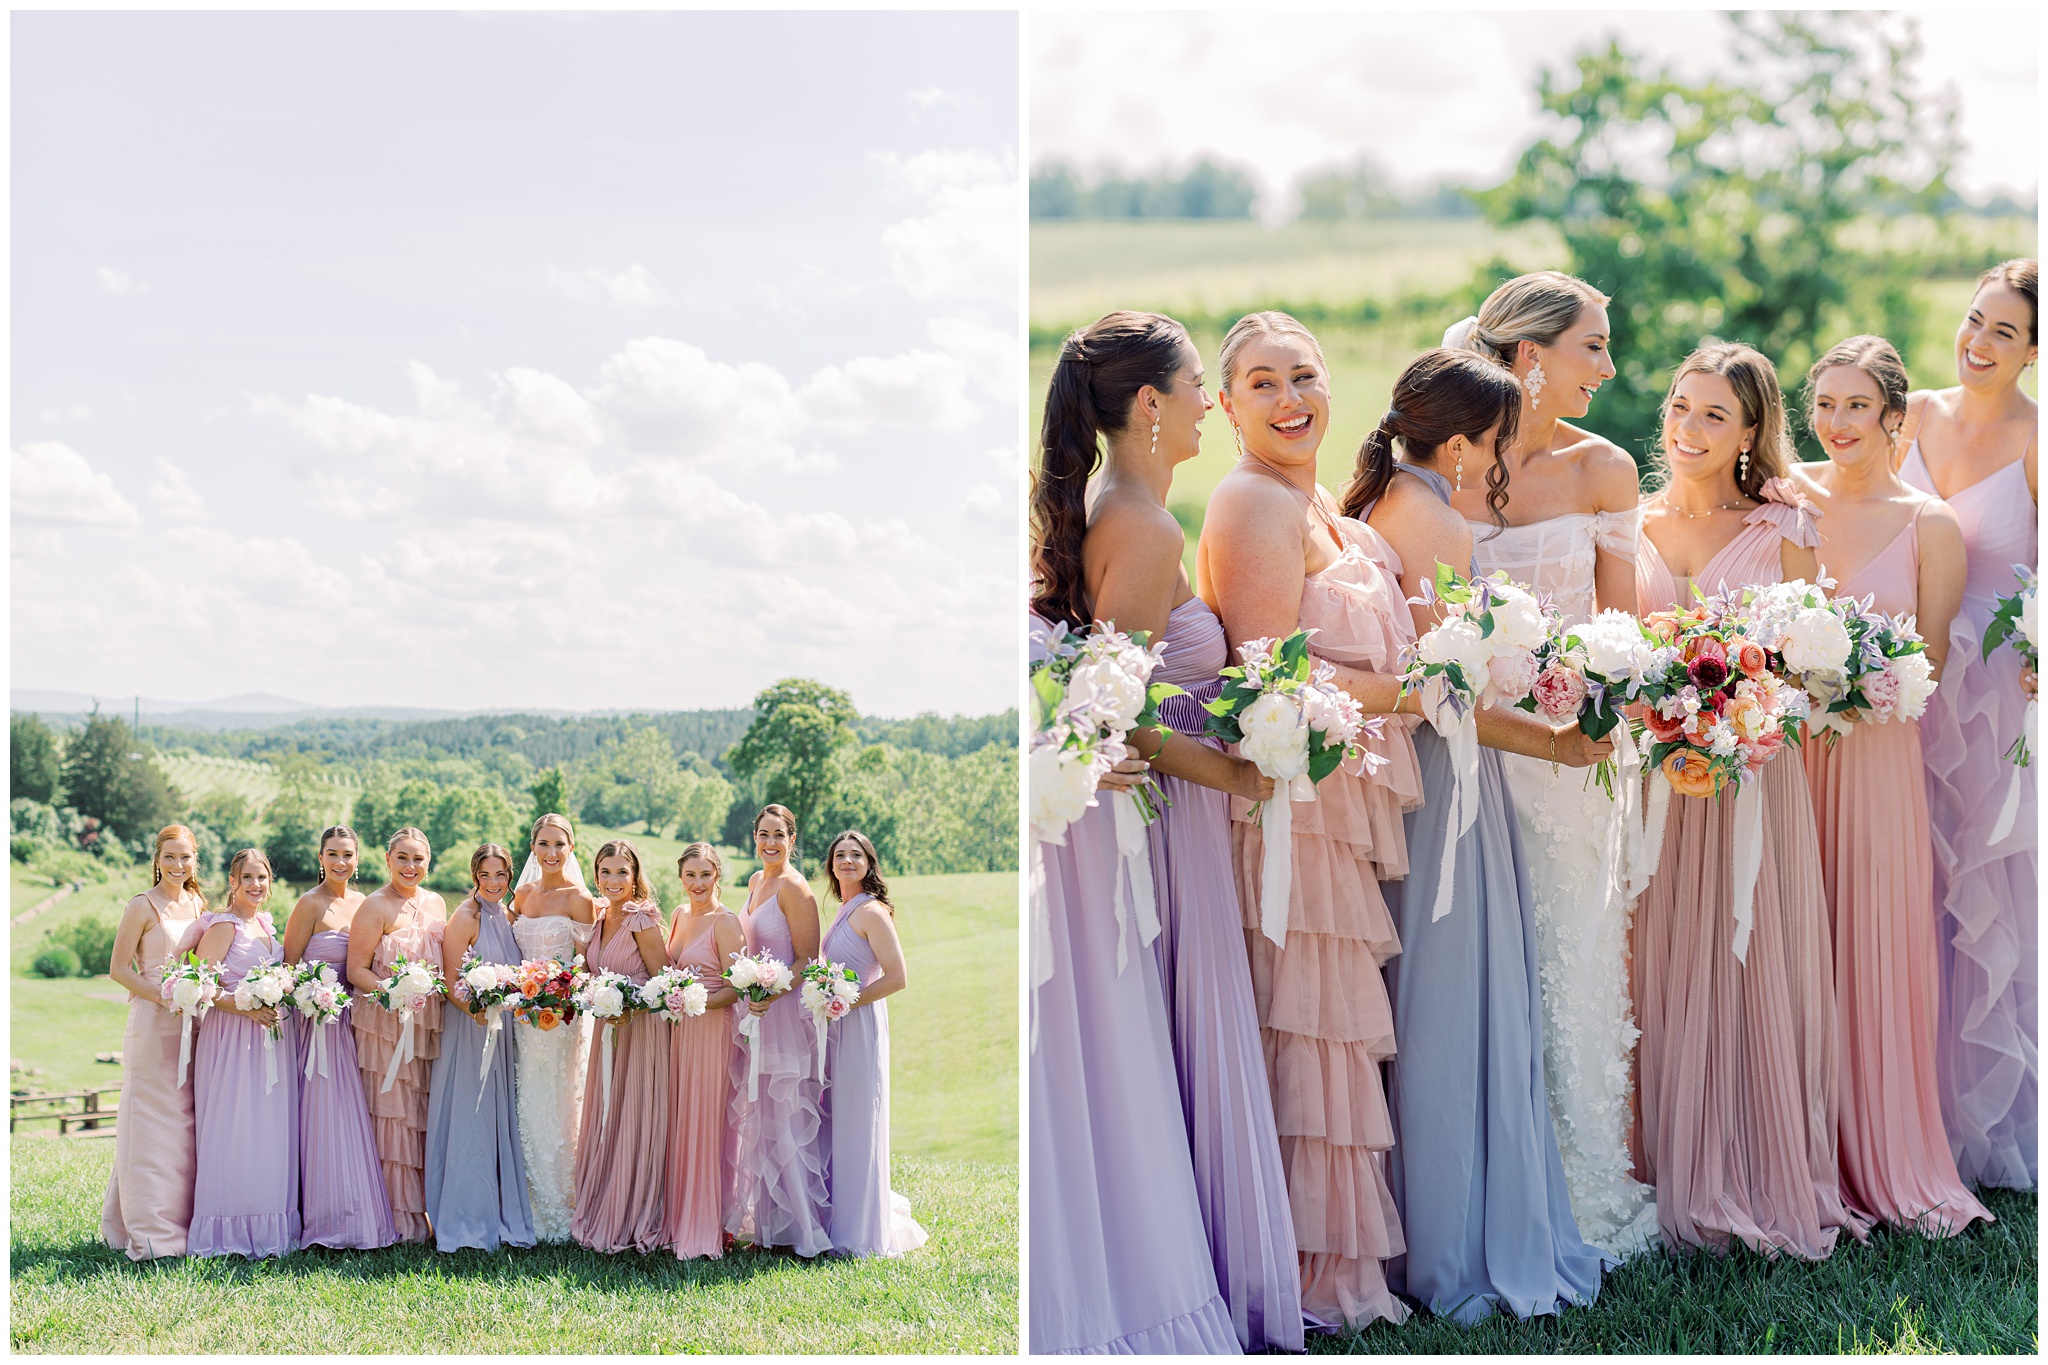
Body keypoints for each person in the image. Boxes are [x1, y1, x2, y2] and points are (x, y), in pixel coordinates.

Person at [1034, 308, 1296, 1349]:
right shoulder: (1142, 526)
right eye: (1197, 387)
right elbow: (1116, 711)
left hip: (1156, 809)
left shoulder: (1114, 504)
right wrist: (1243, 771)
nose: (1207, 407)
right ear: (1149, 405)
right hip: (1157, 814)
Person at [1340, 348, 1611, 1320]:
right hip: (1453, 776)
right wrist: (1550, 738)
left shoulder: (1373, 506)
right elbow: (1447, 696)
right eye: (1497, 441)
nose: (1503, 458)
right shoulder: (1440, 523)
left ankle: (1419, 1226)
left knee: (1420, 998)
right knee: (1455, 1004)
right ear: (1457, 442)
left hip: (1408, 771)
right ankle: (1460, 1237)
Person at [1197, 309, 1420, 1330]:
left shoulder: (1318, 501)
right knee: (1307, 1027)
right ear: (1227, 404)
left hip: (1342, 800)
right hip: (1291, 809)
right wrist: (1417, 690)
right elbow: (1267, 672)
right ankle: (1308, 1276)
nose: (1291, 401)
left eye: (1304, 377)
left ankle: (1339, 1259)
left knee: (1337, 1025)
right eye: (1262, 384)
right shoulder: (1249, 505)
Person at [1632, 341, 1866, 1258]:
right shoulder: (1627, 522)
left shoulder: (1787, 529)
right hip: (1655, 780)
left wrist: (1749, 705)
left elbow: (1814, 667)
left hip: (1757, 779)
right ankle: (1663, 1162)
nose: (1689, 429)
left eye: (1714, 415)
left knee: (1753, 956)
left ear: (1752, 432)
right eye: (1681, 407)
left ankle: (1760, 1161)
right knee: (1659, 959)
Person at [1445, 270, 1659, 1257]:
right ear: (1528, 356)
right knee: (1475, 971)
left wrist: (1603, 699)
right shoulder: (1446, 462)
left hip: (1574, 766)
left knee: (1574, 966)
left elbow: (1624, 632)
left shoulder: (1603, 470)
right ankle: (1482, 1189)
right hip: (1468, 759)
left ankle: (1583, 1192)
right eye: (1592, 346)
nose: (1608, 369)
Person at [1795, 336, 1992, 1237]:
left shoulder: (1930, 523)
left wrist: (1855, 683)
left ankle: (1878, 1147)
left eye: (1856, 406)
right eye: (1824, 403)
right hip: (1779, 753)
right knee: (1792, 942)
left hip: (1874, 761)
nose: (1836, 423)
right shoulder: (1779, 497)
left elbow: (1933, 662)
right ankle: (1787, 1140)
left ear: (1892, 418)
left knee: (1867, 942)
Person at [1897, 257, 2039, 1192]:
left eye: (2005, 333)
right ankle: (1895, 1098)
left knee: (1980, 886)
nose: (1978, 343)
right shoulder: (1913, 412)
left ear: (2035, 352)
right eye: (1974, 320)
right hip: (1895, 671)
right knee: (1903, 879)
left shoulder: (2037, 436)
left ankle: (1981, 1107)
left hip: (1991, 684)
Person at [281, 825, 396, 1250]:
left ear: (358, 860)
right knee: (323, 1113)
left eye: (348, 854)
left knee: (355, 1115)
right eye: (333, 854)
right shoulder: (309, 904)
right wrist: (312, 998)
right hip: (317, 1028)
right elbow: (287, 971)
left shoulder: (365, 904)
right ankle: (323, 1217)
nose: (341, 862)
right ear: (320, 857)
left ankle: (354, 1209)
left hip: (356, 1022)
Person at [726, 806, 831, 1257]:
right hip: (755, 1012)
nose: (770, 843)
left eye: (779, 836)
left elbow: (808, 957)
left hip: (784, 1013)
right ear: (754, 838)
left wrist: (772, 989)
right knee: (760, 1115)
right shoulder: (754, 882)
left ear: (792, 840)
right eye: (763, 834)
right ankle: (768, 1228)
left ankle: (802, 1230)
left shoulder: (795, 887)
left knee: (783, 1115)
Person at [101, 825, 208, 1260]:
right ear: (156, 859)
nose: (178, 865)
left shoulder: (199, 903)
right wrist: (165, 996)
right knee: (149, 1122)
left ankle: (181, 1219)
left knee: (185, 1123)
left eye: (185, 857)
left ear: (195, 859)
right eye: (170, 857)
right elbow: (119, 969)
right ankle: (150, 1232)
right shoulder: (141, 906)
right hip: (152, 1024)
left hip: (193, 1024)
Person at [819, 831, 928, 1258]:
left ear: (868, 863)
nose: (847, 860)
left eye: (855, 854)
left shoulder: (872, 911)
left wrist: (846, 1002)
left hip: (859, 1024)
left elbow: (897, 977)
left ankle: (860, 1230)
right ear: (831, 864)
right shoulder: (845, 909)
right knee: (839, 1118)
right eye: (839, 854)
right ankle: (837, 1215)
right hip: (838, 1024)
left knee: (858, 1119)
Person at [186, 849, 299, 1259]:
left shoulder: (266, 926)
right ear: (232, 882)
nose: (255, 885)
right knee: (236, 1128)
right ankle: (228, 1230)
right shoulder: (223, 926)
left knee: (268, 1131)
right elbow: (199, 983)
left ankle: (271, 1224)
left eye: (262, 878)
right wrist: (243, 1005)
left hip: (271, 1040)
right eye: (247, 877)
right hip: (233, 1039)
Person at [424, 843, 535, 1252]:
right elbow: (452, 981)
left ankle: (498, 1206)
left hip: (501, 1029)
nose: (492, 883)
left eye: (500, 875)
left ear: (510, 878)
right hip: (471, 1029)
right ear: (474, 876)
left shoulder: (507, 916)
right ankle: (465, 1215)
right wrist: (477, 1013)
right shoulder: (465, 916)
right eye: (485, 875)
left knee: (494, 1116)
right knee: (470, 1117)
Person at [571, 839, 672, 1253]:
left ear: (635, 877)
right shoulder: (598, 917)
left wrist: (629, 1008)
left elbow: (663, 982)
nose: (613, 880)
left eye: (621, 873)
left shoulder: (642, 918)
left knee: (634, 1116)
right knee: (607, 1116)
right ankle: (602, 1201)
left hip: (641, 1032)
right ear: (596, 875)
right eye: (605, 872)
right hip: (608, 1032)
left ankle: (634, 1213)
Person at [347, 825, 446, 1243]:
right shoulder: (374, 906)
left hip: (424, 1028)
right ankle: (391, 1216)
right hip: (384, 1026)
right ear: (387, 860)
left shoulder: (438, 903)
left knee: (421, 1117)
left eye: (418, 859)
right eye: (402, 858)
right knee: (391, 1113)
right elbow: (357, 971)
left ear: (429, 862)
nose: (410, 866)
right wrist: (393, 991)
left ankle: (424, 1211)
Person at [508, 811, 597, 1241]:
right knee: (527, 1101)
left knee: (561, 1104)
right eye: (543, 844)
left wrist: (561, 989)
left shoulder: (580, 898)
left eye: (559, 844)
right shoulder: (521, 895)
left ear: (572, 848)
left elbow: (588, 964)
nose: (551, 852)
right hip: (524, 1021)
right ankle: (523, 1200)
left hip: (562, 1020)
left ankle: (564, 1201)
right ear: (532, 847)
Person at [661, 842, 745, 1260]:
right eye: (690, 875)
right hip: (679, 1035)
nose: (697, 884)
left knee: (706, 1126)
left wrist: (694, 1001)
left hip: (712, 1032)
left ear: (718, 877)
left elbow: (738, 988)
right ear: (681, 877)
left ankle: (706, 1228)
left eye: (705, 875)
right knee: (681, 1122)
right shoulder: (677, 915)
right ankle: (676, 1222)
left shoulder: (725, 922)